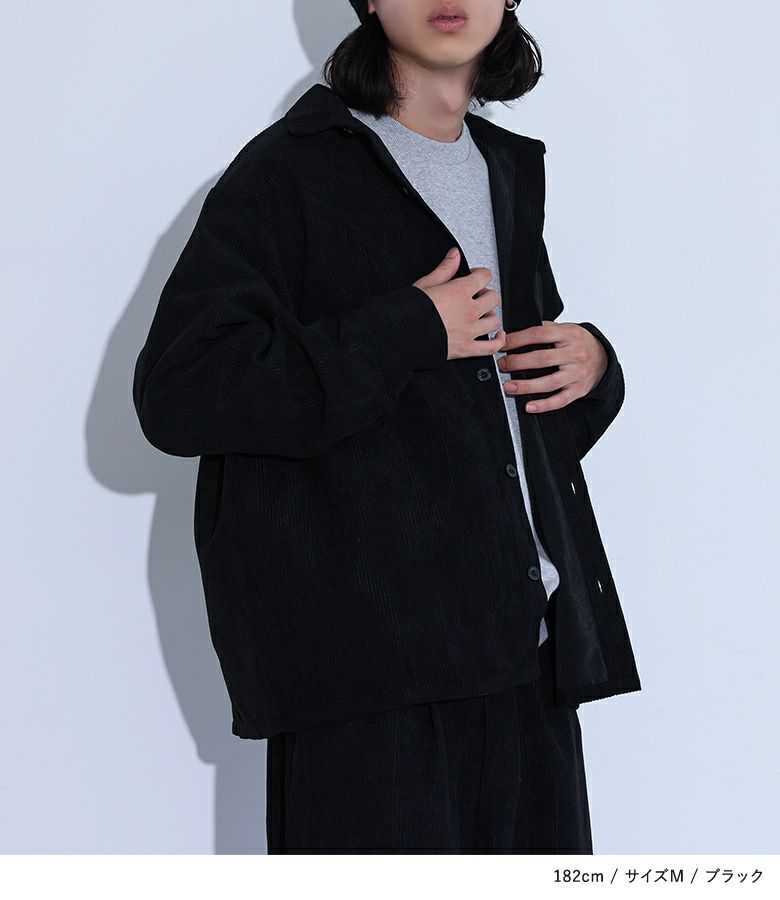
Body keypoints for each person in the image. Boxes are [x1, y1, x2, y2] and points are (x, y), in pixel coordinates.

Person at [133, 0, 641, 853]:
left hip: (529, 660)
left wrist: (591, 369)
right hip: (373, 688)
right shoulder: (290, 172)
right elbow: (181, 393)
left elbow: (483, 429)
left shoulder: (506, 171)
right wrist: (409, 329)